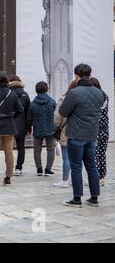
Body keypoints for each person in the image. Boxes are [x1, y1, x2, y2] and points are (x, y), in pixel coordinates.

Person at [59, 64, 104, 207]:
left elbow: (63, 112)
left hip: (76, 134)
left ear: (77, 76)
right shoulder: (99, 93)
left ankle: (77, 198)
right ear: (90, 75)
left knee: (76, 166)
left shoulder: (74, 93)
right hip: (92, 135)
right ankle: (94, 197)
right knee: (92, 166)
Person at [27, 81, 57, 177]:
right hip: (51, 129)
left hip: (37, 129)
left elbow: (29, 118)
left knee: (37, 149)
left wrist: (29, 127)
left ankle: (39, 169)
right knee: (51, 149)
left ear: (36, 90)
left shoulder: (32, 104)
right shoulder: (52, 102)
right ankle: (48, 169)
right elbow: (56, 116)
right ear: (46, 89)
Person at [53, 80, 79, 188]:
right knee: (77, 158)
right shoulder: (82, 99)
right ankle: (75, 180)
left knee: (66, 158)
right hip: (80, 131)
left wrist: (57, 126)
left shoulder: (64, 99)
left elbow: (57, 117)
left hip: (66, 131)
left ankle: (65, 180)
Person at [9, 75, 31, 176]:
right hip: (22, 124)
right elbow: (28, 112)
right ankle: (19, 168)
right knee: (21, 147)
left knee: (8, 147)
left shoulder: (8, 93)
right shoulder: (25, 94)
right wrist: (29, 126)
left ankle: (8, 167)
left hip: (9, 123)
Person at [91, 77, 109, 187]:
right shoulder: (105, 95)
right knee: (102, 153)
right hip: (105, 129)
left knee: (94, 154)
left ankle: (96, 177)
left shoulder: (94, 96)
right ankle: (102, 177)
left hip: (95, 129)